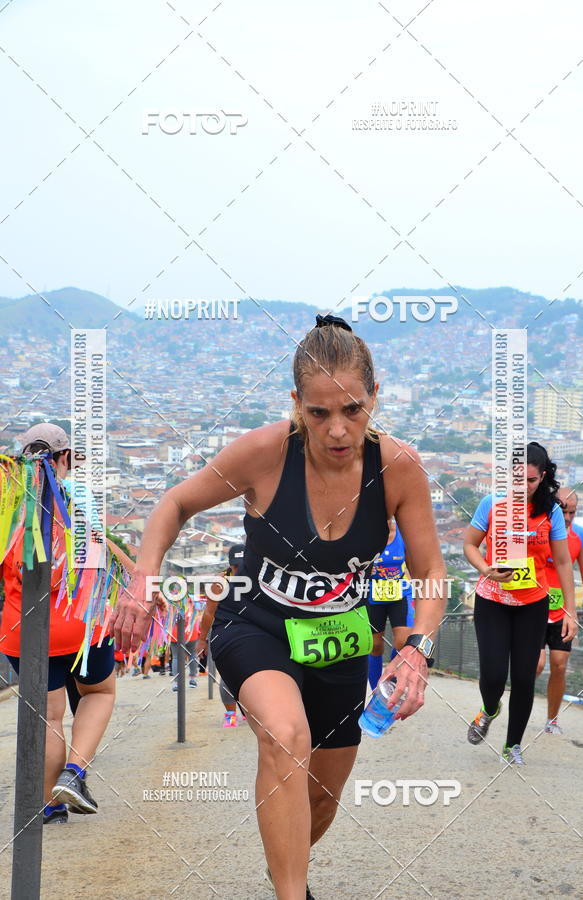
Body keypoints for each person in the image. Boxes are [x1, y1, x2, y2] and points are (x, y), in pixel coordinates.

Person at [111, 314, 446, 900]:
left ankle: (284, 870)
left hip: (339, 637)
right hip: (257, 624)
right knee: (285, 737)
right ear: (297, 404)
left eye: (353, 410)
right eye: (319, 413)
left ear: (375, 397)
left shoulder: (398, 467)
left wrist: (418, 648)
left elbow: (431, 571)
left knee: (321, 796)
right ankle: (293, 893)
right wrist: (144, 579)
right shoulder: (266, 452)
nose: (337, 430)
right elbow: (174, 502)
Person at [0, 424, 127, 823]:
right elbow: (100, 549)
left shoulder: (7, 505)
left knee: (49, 716)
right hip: (80, 624)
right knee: (98, 694)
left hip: (23, 630)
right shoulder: (77, 499)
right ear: (64, 458)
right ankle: (74, 773)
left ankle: (49, 806)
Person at [463, 441, 577, 766]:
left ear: (542, 478)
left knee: (525, 678)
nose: (522, 486)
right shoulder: (491, 503)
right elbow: (469, 545)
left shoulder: (550, 512)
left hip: (533, 605)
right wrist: (486, 569)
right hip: (492, 602)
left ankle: (512, 745)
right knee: (494, 676)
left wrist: (569, 609)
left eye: (529, 480)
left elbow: (564, 563)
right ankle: (489, 708)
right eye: (517, 479)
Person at [536, 487, 583, 733]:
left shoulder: (580, 536)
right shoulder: (541, 531)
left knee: (560, 664)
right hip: (535, 608)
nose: (569, 518)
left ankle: (552, 720)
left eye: (572, 512)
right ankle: (517, 703)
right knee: (537, 665)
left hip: (562, 611)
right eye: (564, 511)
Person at [197, 543, 247, 727]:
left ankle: (247, 711)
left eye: (241, 566)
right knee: (227, 676)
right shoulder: (220, 583)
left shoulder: (257, 579)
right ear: (230, 565)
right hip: (225, 634)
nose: (238, 570)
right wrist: (202, 640)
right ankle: (230, 713)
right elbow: (209, 613)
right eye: (235, 567)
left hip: (250, 634)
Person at [367, 518, 414, 690]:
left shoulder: (403, 533)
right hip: (372, 593)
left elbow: (411, 564)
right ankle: (375, 691)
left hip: (399, 591)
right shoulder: (366, 533)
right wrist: (365, 569)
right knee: (375, 646)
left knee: (403, 642)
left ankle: (389, 683)